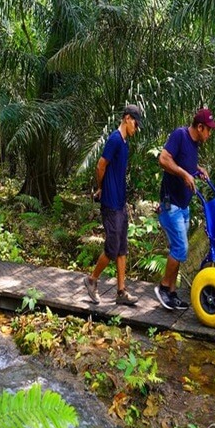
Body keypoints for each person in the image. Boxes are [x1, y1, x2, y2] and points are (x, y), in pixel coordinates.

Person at [154, 108, 215, 311]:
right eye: (208, 130)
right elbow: (164, 159)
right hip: (170, 203)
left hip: (183, 205)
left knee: (180, 249)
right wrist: (184, 174)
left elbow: (183, 162)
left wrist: (196, 169)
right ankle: (164, 287)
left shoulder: (194, 144)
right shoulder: (180, 135)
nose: (209, 134)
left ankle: (172, 293)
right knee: (180, 248)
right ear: (199, 127)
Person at [82, 104, 142, 306]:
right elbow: (101, 165)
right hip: (110, 203)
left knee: (122, 248)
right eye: (135, 121)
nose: (136, 127)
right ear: (126, 118)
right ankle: (91, 280)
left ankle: (121, 292)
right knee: (112, 247)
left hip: (120, 204)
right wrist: (101, 188)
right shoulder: (115, 139)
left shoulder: (125, 144)